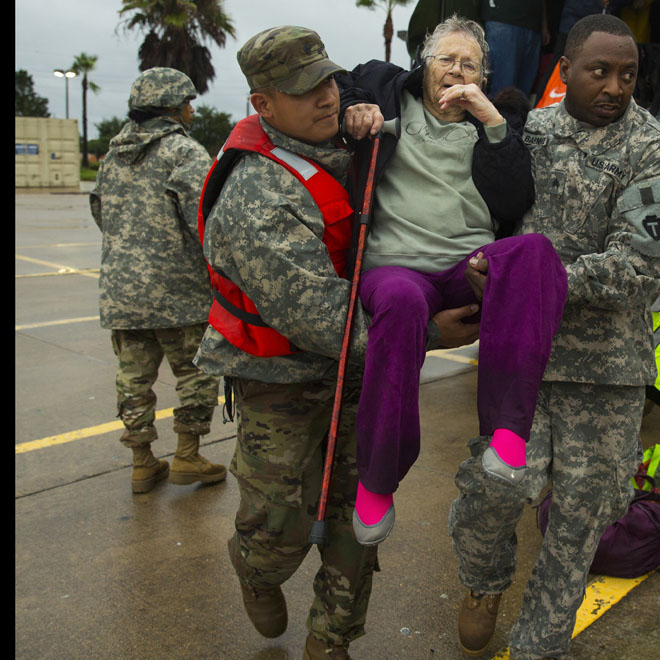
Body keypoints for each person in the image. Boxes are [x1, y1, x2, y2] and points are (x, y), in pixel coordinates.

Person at [193, 26, 479, 658]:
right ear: (262, 106)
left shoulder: (350, 140)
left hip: (359, 369)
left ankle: (332, 639)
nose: (326, 98)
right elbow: (320, 316)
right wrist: (425, 334)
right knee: (279, 528)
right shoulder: (255, 192)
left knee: (356, 517)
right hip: (283, 377)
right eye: (304, 92)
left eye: (327, 80)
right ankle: (255, 569)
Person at [449, 13, 660, 659]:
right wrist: (483, 268)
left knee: (583, 517)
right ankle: (482, 582)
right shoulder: (526, 136)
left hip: (606, 371)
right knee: (492, 491)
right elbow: (486, 214)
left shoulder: (654, 152)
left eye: (628, 74)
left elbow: (638, 270)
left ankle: (542, 643)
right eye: (600, 71)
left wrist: (531, 278)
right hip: (523, 361)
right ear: (567, 67)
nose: (615, 86)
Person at [336, 15, 567, 546]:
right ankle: (378, 478)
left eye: (470, 64)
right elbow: (341, 84)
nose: (457, 71)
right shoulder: (385, 87)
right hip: (396, 268)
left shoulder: (499, 121)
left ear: (484, 78)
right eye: (447, 59)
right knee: (397, 303)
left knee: (534, 252)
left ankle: (508, 435)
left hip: (469, 267)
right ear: (425, 62)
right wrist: (355, 108)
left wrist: (490, 121)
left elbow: (514, 199)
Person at [89, 67, 225, 495]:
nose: (191, 110)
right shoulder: (184, 153)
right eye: (187, 102)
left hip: (122, 294)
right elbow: (205, 219)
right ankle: (187, 454)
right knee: (195, 375)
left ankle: (142, 463)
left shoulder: (113, 155)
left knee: (133, 379)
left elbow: (99, 211)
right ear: (171, 107)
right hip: (180, 293)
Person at [481, 0, 550, 96]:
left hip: (533, 23)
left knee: (521, 96)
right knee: (501, 92)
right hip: (504, 18)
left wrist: (544, 23)